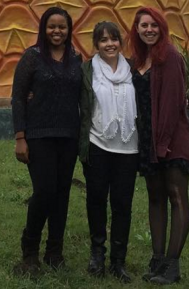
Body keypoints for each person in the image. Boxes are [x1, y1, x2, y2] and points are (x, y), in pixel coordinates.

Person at [11, 6, 82, 274]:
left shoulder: (76, 59)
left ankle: (55, 251)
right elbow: (18, 97)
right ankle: (30, 248)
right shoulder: (33, 57)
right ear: (44, 28)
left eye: (62, 27)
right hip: (39, 135)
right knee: (44, 191)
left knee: (62, 195)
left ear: (68, 29)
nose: (57, 31)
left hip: (68, 136)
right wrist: (20, 136)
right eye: (52, 26)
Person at [130, 6, 189, 285]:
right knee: (154, 198)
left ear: (162, 27)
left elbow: (172, 104)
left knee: (176, 196)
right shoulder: (138, 60)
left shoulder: (169, 57)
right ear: (136, 29)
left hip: (170, 140)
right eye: (143, 25)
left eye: (153, 25)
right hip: (147, 139)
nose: (149, 30)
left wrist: (163, 144)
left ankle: (173, 264)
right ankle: (157, 260)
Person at [79, 21, 138, 282]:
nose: (109, 44)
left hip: (129, 147)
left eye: (113, 39)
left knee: (123, 204)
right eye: (103, 40)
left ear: (120, 42)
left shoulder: (133, 70)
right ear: (96, 45)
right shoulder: (87, 70)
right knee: (97, 199)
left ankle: (118, 260)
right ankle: (97, 254)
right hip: (98, 143)